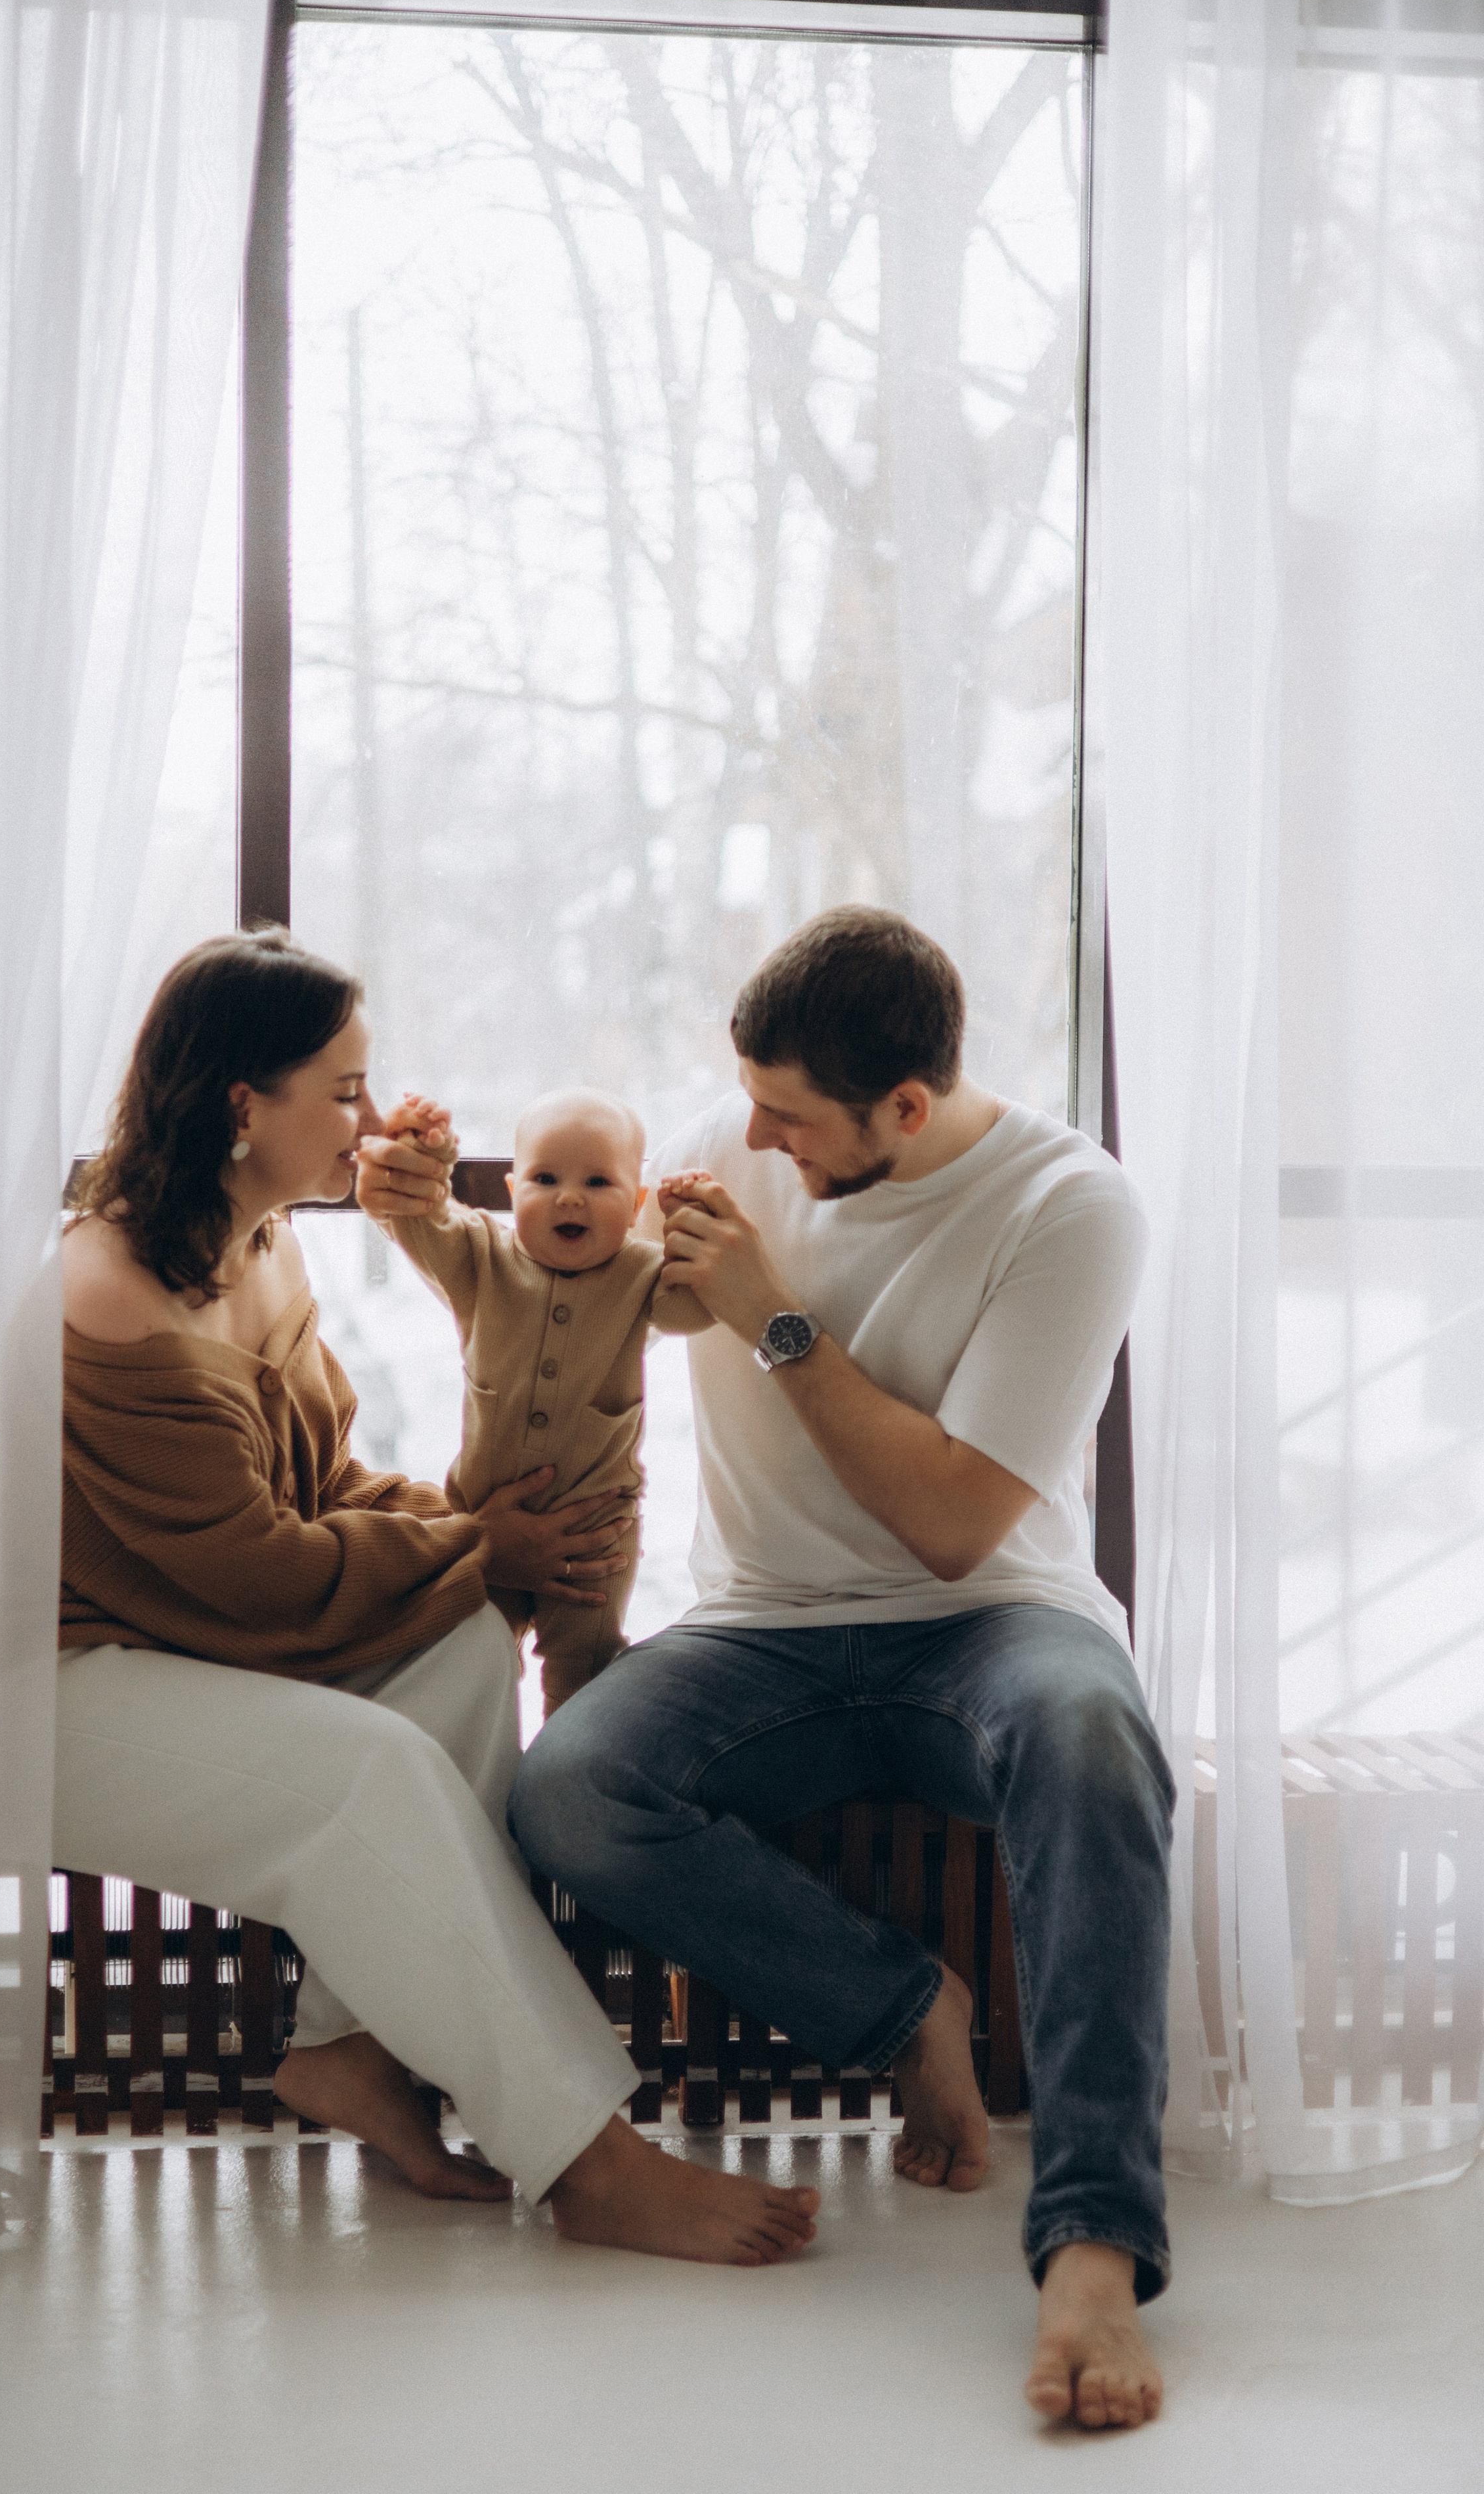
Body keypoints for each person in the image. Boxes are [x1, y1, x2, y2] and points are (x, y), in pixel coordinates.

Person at [497, 906, 1173, 2429]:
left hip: (995, 1613)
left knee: (1088, 1738)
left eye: (786, 1118)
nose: (747, 1138)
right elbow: (552, 1294)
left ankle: (1091, 2243)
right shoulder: (726, 1151)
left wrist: (769, 1316)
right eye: (744, 1100)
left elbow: (946, 1523)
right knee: (572, 1788)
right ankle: (895, 2006)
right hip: (765, 1625)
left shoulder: (1067, 1203)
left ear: (906, 1109)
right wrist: (426, 1212)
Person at [56, 927, 818, 2267]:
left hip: (186, 1638)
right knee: (370, 1771)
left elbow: (326, 1482)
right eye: (343, 1089)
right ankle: (588, 2157)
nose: (371, 1113)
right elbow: (257, 1577)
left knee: (466, 1650)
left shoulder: (259, 1240)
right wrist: (482, 1538)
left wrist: (479, 1550)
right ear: (246, 1104)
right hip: (51, 1683)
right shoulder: (112, 1298)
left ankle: (347, 2054)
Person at [377, 1087, 710, 1713]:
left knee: (583, 1669)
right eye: (545, 1178)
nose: (570, 1196)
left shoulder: (640, 1273)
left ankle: (554, 1785)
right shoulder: (481, 1257)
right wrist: (425, 1153)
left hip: (594, 1543)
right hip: (483, 1521)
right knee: (469, 1664)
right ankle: (481, 1785)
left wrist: (690, 1230)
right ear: (512, 1192)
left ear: (636, 1203)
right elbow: (419, 1220)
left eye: (598, 1182)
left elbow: (697, 1306)